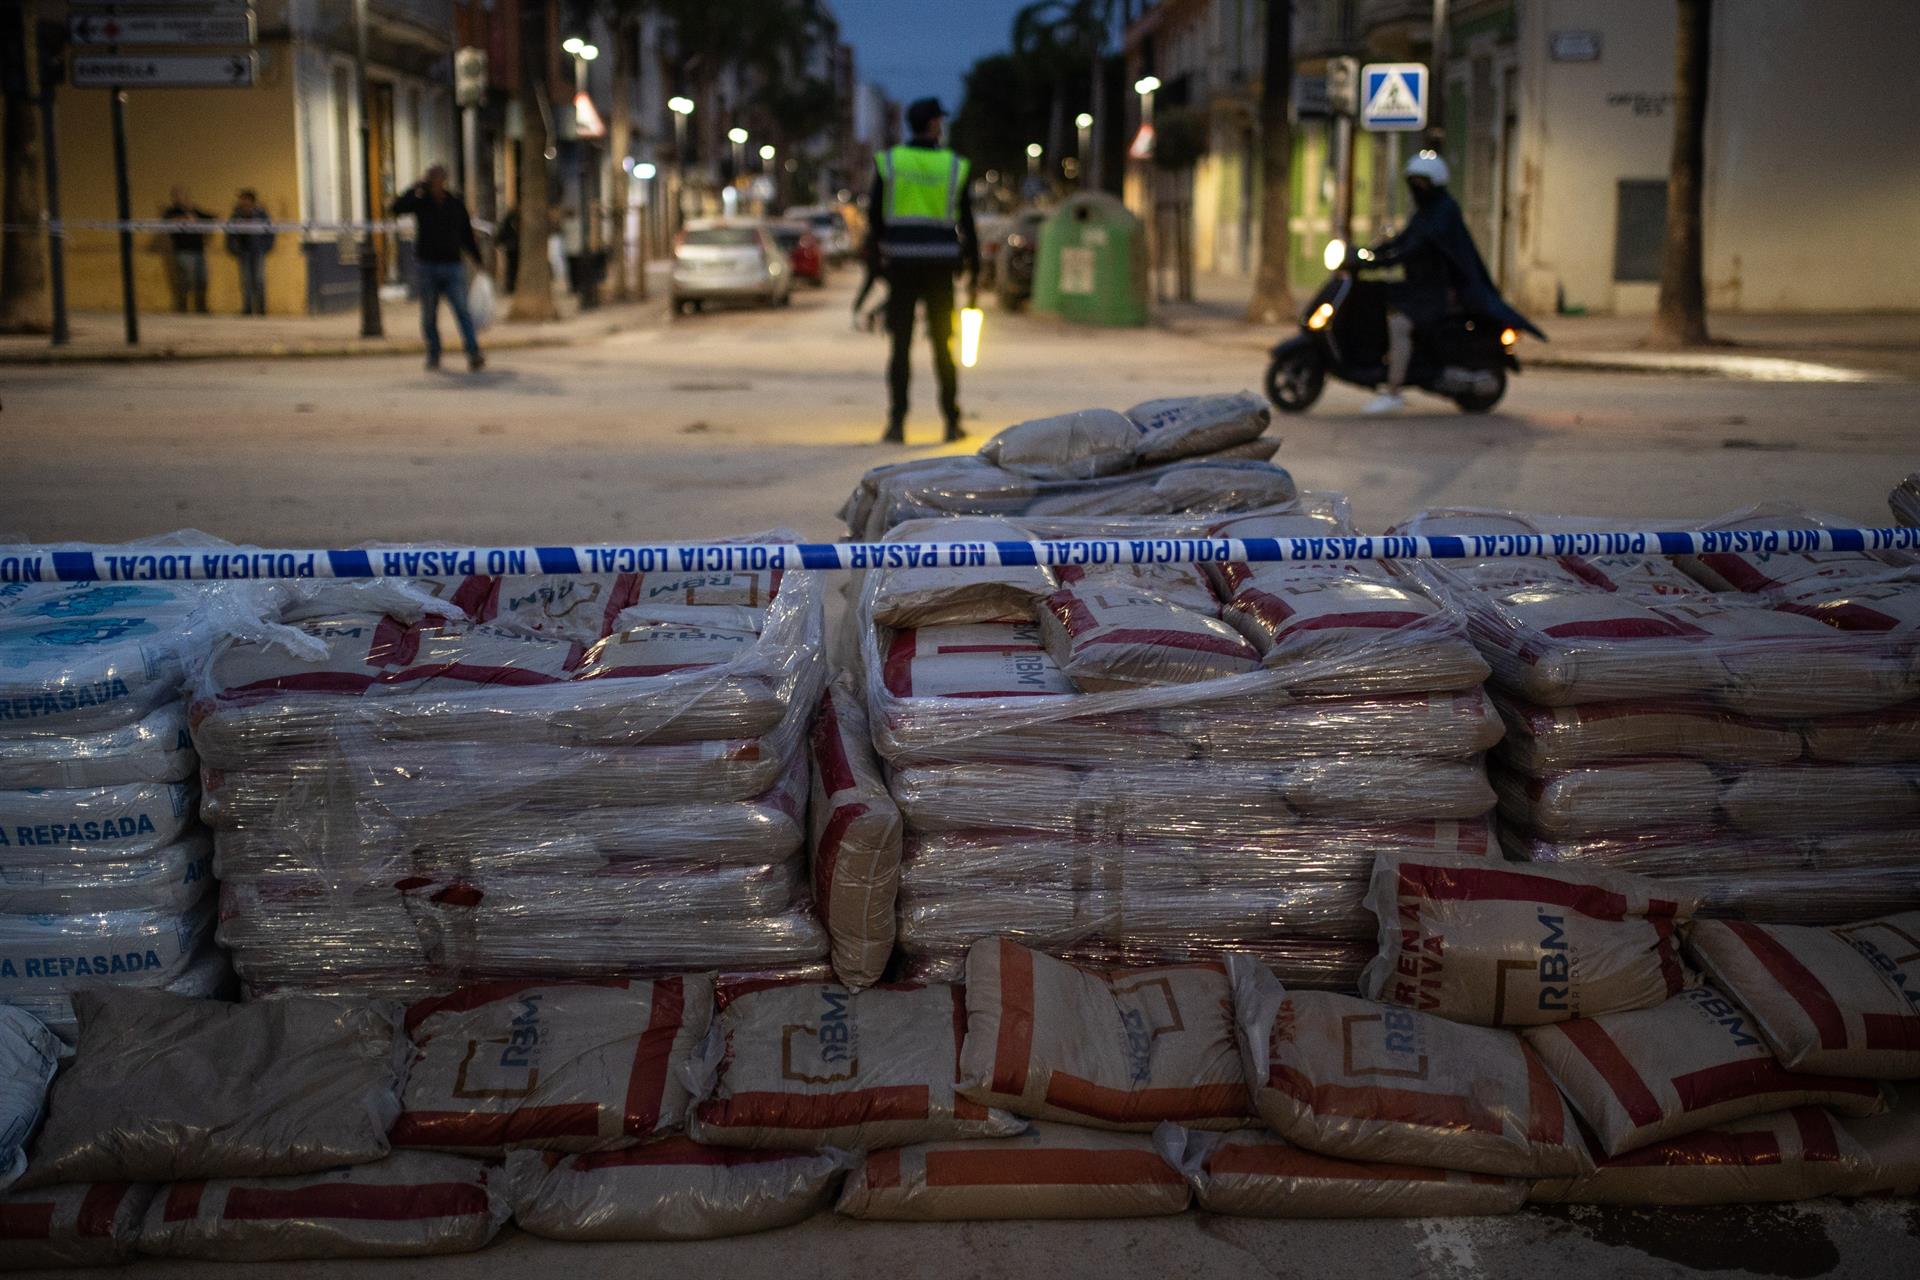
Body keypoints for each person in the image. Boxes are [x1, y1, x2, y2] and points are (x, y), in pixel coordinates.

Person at [1361, 151, 1534, 414]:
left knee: (1399, 323)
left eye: (1421, 182)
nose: (1417, 187)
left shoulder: (1444, 212)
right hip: (1420, 288)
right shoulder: (1425, 212)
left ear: (1434, 182)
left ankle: (1394, 390)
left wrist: (1382, 262)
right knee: (1381, 302)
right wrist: (1369, 253)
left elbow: (1417, 246)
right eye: (1413, 182)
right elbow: (1404, 239)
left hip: (1438, 292)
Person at [866, 97, 979, 444]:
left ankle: (896, 423)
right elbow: (967, 219)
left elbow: (874, 215)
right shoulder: (953, 165)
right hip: (940, 266)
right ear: (932, 124)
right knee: (943, 346)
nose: (941, 126)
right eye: (939, 121)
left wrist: (880, 257)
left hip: (900, 264)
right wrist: (974, 266)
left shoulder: (890, 161)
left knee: (900, 346)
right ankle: (951, 422)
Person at [392, 164, 486, 372]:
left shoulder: (455, 204)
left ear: (444, 180)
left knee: (462, 311)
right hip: (428, 266)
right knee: (429, 315)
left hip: (452, 266)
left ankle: (473, 352)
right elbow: (396, 208)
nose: (435, 182)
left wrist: (478, 260)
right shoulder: (421, 202)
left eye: (438, 178)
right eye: (431, 178)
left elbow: (466, 235)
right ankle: (433, 353)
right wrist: (415, 188)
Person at [161, 187, 216, 314]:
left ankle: (201, 307)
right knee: (186, 279)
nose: (181, 198)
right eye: (178, 196)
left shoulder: (194, 210)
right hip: (183, 251)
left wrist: (195, 217)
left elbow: (211, 218)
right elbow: (166, 222)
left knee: (202, 279)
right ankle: (183, 307)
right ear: (174, 198)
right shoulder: (171, 211)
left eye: (183, 196)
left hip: (199, 250)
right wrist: (184, 219)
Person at [225, 189, 275, 316]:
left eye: (244, 199)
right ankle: (247, 308)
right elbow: (230, 233)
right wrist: (233, 248)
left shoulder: (261, 214)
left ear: (251, 200)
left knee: (259, 280)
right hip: (243, 252)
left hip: (258, 251)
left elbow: (270, 231)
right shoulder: (236, 215)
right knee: (246, 281)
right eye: (241, 199)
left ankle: (261, 309)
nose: (242, 201)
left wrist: (266, 246)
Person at [497, 206, 521, 295]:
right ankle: (510, 287)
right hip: (510, 250)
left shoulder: (519, 224)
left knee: (514, 268)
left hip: (517, 249)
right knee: (510, 269)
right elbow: (500, 236)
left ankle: (512, 286)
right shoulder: (507, 226)